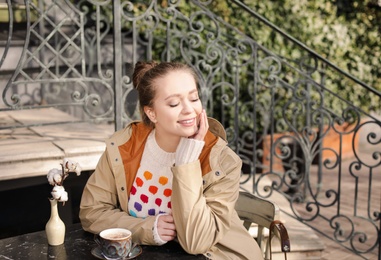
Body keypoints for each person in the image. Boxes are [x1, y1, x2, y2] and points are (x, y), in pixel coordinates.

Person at [79, 61, 263, 259]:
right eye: (174, 103)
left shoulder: (223, 161)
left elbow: (197, 242)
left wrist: (186, 163)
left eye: (194, 98)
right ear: (152, 113)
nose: (188, 110)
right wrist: (148, 228)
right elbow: (92, 212)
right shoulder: (125, 146)